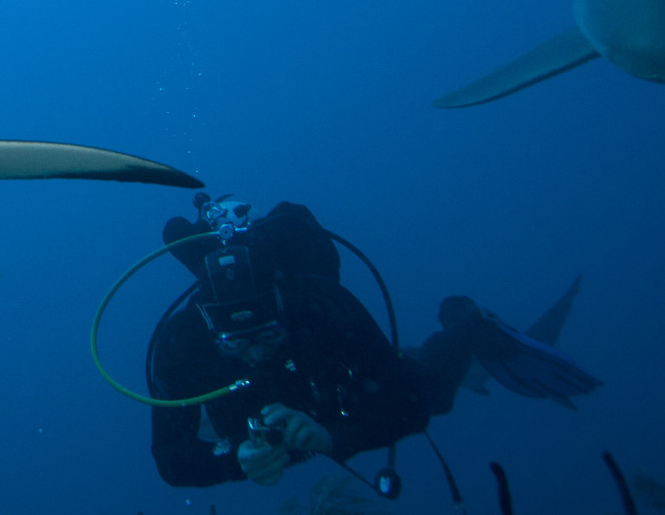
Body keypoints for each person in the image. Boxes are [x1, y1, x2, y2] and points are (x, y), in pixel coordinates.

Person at [147, 197, 601, 489]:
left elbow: (412, 403)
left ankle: (468, 326)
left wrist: (333, 437)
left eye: (267, 336)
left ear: (284, 307)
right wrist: (233, 464)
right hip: (281, 421)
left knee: (436, 393)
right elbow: (170, 462)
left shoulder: (320, 307)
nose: (255, 353)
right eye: (234, 344)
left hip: (340, 396)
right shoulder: (180, 347)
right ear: (207, 327)